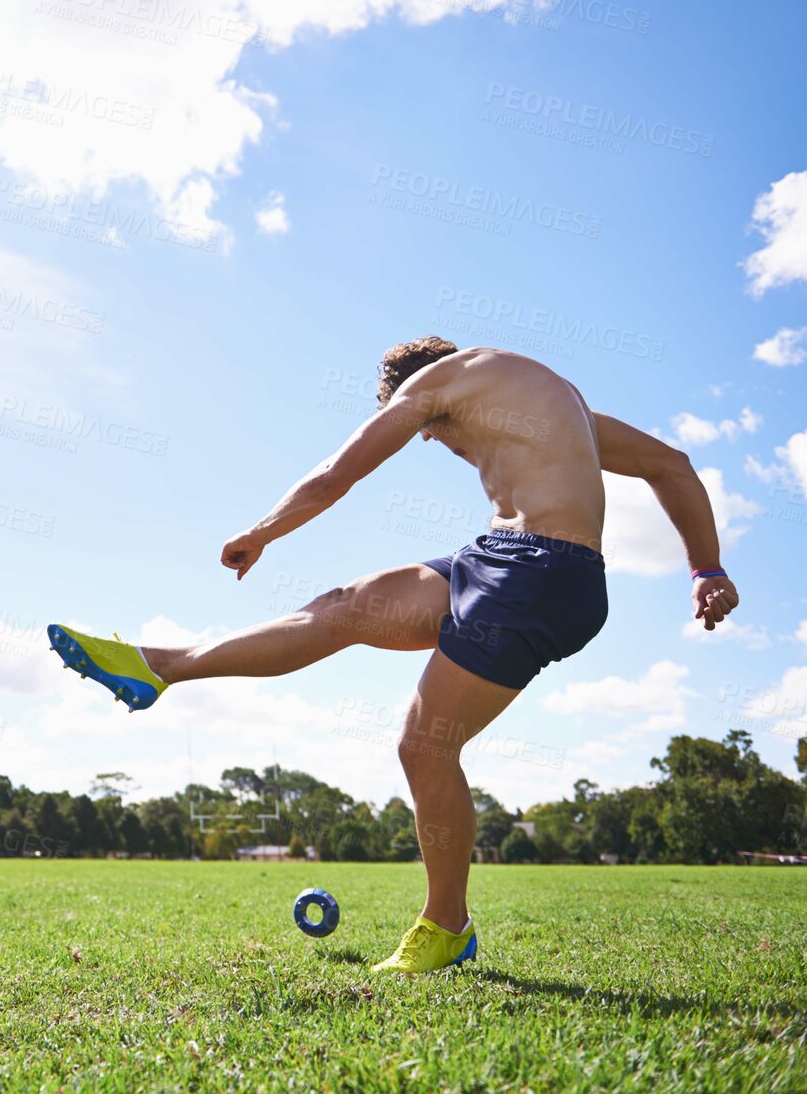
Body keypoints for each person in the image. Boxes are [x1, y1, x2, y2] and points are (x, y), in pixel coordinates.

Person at [48, 338, 740, 975]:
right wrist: (704, 568)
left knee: (424, 745)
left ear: (420, 396)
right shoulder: (553, 403)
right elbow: (668, 463)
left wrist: (260, 532)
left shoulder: (441, 381)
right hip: (498, 557)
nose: (431, 441)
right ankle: (159, 665)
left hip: (541, 574)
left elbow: (335, 474)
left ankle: (447, 925)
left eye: (426, 431)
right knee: (346, 604)